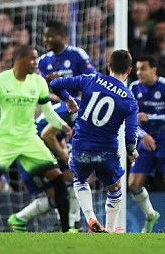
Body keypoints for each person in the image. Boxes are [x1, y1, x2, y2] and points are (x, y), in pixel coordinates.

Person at [0, 45, 73, 233]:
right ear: (19, 58)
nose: (36, 63)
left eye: (37, 59)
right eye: (32, 59)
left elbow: (48, 112)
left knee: (58, 179)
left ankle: (67, 230)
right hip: (5, 139)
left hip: (29, 139)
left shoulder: (38, 82)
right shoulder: (0, 81)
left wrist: (63, 125)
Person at [50, 49, 140, 233]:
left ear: (109, 66)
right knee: (115, 187)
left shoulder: (91, 79)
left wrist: (68, 99)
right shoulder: (130, 100)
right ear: (129, 71)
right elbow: (130, 136)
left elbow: (55, 83)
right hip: (106, 151)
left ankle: (90, 218)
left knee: (80, 179)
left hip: (80, 146)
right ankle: (109, 228)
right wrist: (131, 152)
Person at [7, 100, 81, 232]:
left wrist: (64, 150)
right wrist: (65, 158)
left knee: (75, 183)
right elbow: (46, 134)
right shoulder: (73, 109)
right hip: (33, 153)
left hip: (47, 150)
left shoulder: (71, 106)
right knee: (61, 195)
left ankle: (72, 224)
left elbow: (58, 133)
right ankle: (19, 218)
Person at [128, 54, 165, 232]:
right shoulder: (134, 87)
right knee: (133, 184)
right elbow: (130, 119)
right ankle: (151, 215)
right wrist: (142, 134)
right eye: (137, 69)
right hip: (146, 140)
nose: (139, 72)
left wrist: (151, 117)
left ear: (153, 70)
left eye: (143, 68)